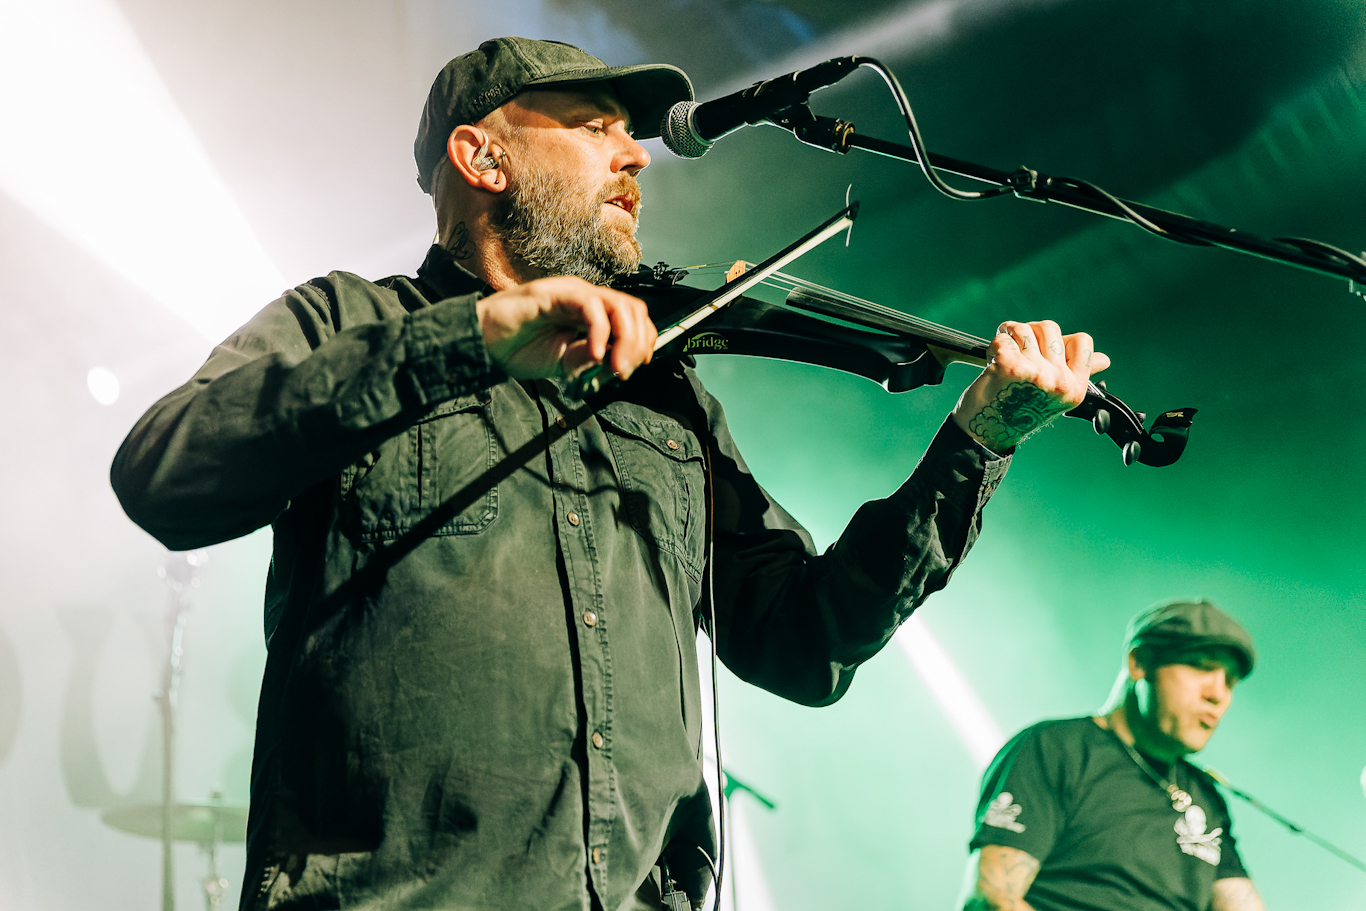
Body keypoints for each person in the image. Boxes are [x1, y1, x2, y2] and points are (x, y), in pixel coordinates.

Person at [112, 37, 1108, 911]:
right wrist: (468, 339)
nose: (636, 155)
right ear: (481, 152)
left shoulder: (661, 391)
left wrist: (974, 442)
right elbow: (166, 471)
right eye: (594, 128)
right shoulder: (350, 322)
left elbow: (804, 642)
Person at [960, 599, 1267, 911]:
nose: (1218, 694)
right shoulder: (1055, 748)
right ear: (1140, 662)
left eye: (1230, 681)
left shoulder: (1205, 795)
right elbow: (990, 900)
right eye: (1201, 666)